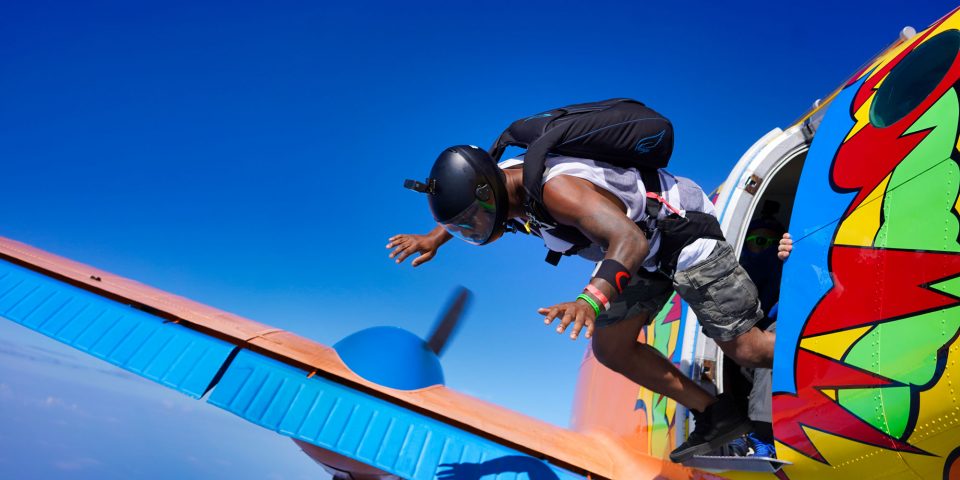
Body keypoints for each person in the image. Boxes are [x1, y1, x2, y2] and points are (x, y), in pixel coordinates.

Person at [390, 142, 776, 462]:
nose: (477, 229)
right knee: (611, 348)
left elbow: (630, 242)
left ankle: (816, 342)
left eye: (475, 219)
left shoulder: (557, 190)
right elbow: (470, 198)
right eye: (465, 228)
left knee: (749, 349)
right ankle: (717, 413)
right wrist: (435, 239)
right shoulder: (499, 181)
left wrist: (589, 302)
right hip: (643, 251)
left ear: (488, 190)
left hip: (681, 233)